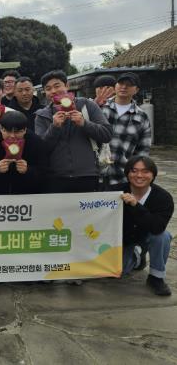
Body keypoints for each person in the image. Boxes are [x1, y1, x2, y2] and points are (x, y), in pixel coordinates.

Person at [35, 70, 113, 193]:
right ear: (45, 92)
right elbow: (41, 149)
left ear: (67, 86)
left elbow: (107, 134)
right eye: (48, 88)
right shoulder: (42, 115)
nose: (53, 91)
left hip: (87, 175)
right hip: (55, 178)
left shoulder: (87, 105)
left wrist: (84, 123)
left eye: (57, 86)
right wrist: (54, 127)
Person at [120, 156, 173, 296]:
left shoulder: (164, 198)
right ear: (127, 173)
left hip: (147, 236)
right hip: (123, 240)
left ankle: (156, 277)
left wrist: (136, 205)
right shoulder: (115, 192)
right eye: (134, 171)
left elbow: (157, 227)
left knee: (163, 236)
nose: (139, 175)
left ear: (153, 175)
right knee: (119, 271)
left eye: (145, 171)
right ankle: (138, 258)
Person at [0, 112, 47, 195]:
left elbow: (44, 171)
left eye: (17, 132)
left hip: (26, 194)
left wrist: (28, 170)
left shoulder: (35, 142)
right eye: (8, 131)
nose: (12, 136)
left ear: (25, 130)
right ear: (1, 128)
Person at [101, 72, 152, 189]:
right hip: (92, 175)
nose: (124, 87)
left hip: (121, 176)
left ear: (136, 90)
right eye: (121, 83)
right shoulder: (100, 108)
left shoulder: (141, 117)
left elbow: (143, 151)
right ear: (115, 86)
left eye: (129, 84)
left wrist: (136, 174)